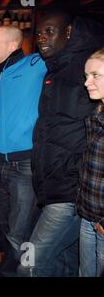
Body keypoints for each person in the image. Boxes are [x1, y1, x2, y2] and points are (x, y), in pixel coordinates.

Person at [18, 12, 103, 277]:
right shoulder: (56, 68)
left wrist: (75, 177)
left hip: (71, 190)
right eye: (39, 33)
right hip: (53, 184)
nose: (42, 38)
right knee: (64, 263)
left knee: (29, 263)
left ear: (68, 32)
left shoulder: (86, 67)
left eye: (50, 31)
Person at [0, 25, 46, 277]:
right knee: (3, 222)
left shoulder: (34, 63)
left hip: (24, 163)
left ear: (12, 45)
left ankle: (15, 272)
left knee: (19, 229)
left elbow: (70, 54)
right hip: (1, 161)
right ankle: (9, 267)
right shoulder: (3, 71)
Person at [78, 48, 104, 277]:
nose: (87, 83)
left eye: (95, 75)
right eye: (86, 76)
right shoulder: (97, 113)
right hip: (88, 214)